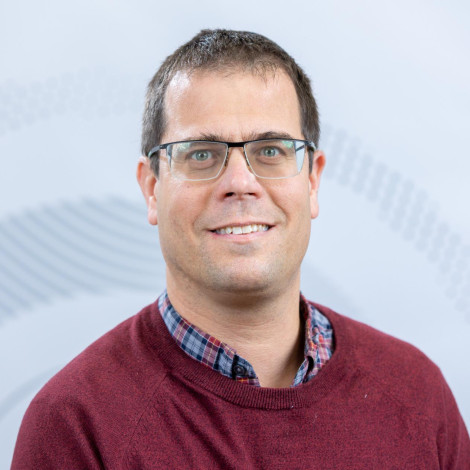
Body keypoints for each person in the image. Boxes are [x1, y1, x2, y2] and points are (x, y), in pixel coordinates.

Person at [11, 29, 470, 469]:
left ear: (312, 181)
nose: (240, 183)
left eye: (270, 151)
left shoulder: (417, 394)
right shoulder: (74, 424)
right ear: (152, 188)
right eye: (201, 154)